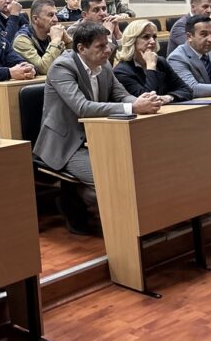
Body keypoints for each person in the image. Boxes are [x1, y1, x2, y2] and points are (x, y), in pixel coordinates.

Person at [35, 21, 162, 234]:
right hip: (67, 143)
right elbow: (82, 107)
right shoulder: (62, 67)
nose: (108, 50)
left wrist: (143, 100)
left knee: (137, 169)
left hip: (99, 137)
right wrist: (133, 107)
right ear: (81, 48)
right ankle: (83, 210)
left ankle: (141, 223)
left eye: (108, 44)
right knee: (111, 177)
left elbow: (121, 95)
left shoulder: (104, 66)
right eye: (100, 46)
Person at [113, 20, 193, 103]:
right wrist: (151, 67)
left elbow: (187, 90)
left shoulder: (160, 62)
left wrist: (169, 97)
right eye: (146, 37)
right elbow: (147, 100)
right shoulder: (122, 71)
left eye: (154, 37)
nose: (152, 41)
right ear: (132, 41)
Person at [13, 0, 71, 75]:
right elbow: (44, 69)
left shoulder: (52, 33)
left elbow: (75, 62)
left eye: (55, 15)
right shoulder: (22, 40)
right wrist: (56, 40)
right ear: (35, 19)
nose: (56, 19)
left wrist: (68, 41)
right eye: (50, 15)